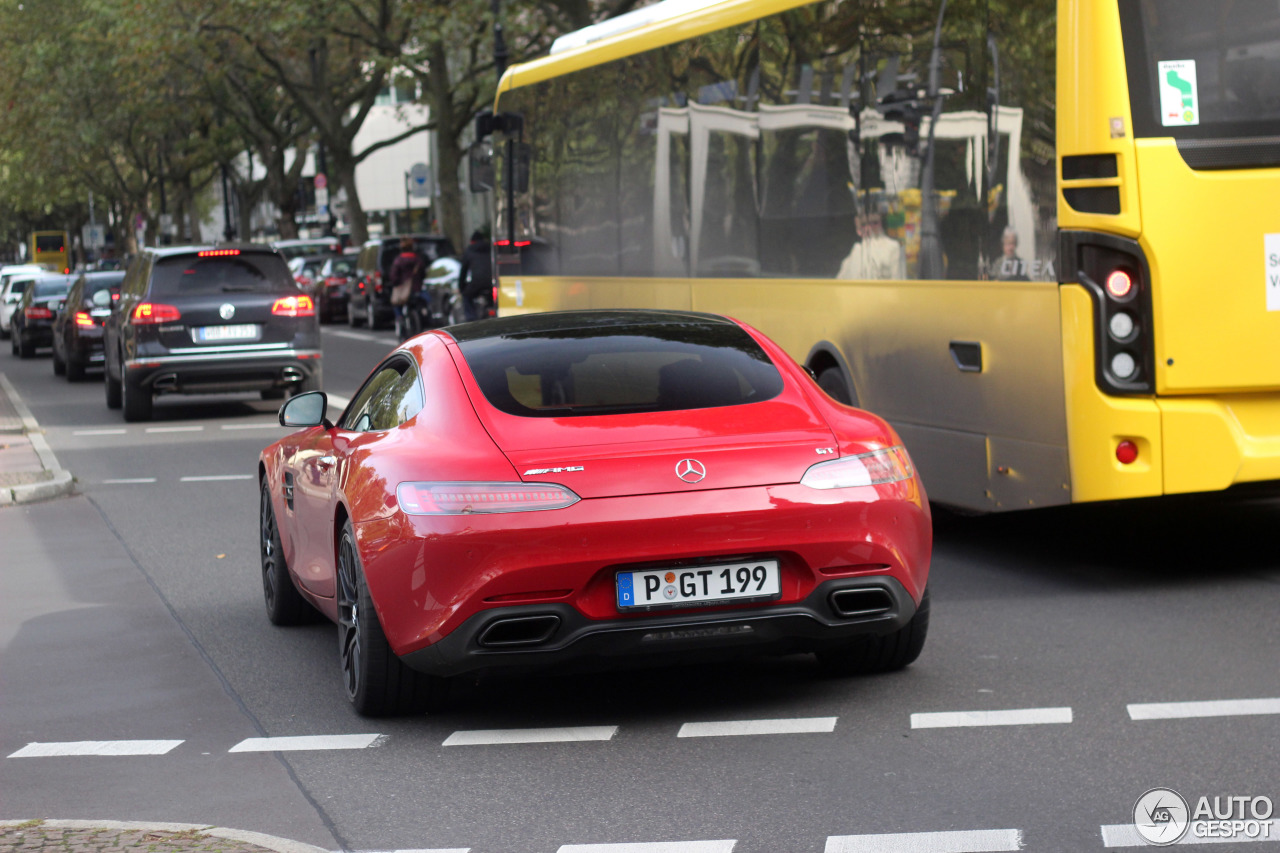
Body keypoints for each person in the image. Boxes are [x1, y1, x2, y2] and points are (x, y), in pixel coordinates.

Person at [837, 211, 906, 280]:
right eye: (864, 224)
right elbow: (839, 282)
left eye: (874, 223)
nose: (869, 227)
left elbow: (898, 282)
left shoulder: (893, 247)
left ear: (881, 223)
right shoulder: (855, 250)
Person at [388, 236, 424, 338]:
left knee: (396, 304)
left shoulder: (399, 260)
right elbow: (423, 274)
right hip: (417, 289)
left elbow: (393, 276)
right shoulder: (418, 259)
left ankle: (400, 319)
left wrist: (395, 283)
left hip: (403, 290)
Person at [458, 230, 493, 321]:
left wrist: (462, 288)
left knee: (467, 296)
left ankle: (471, 319)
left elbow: (463, 271)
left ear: (472, 241)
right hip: (492, 283)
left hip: (476, 283)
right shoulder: (490, 248)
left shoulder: (469, 250)